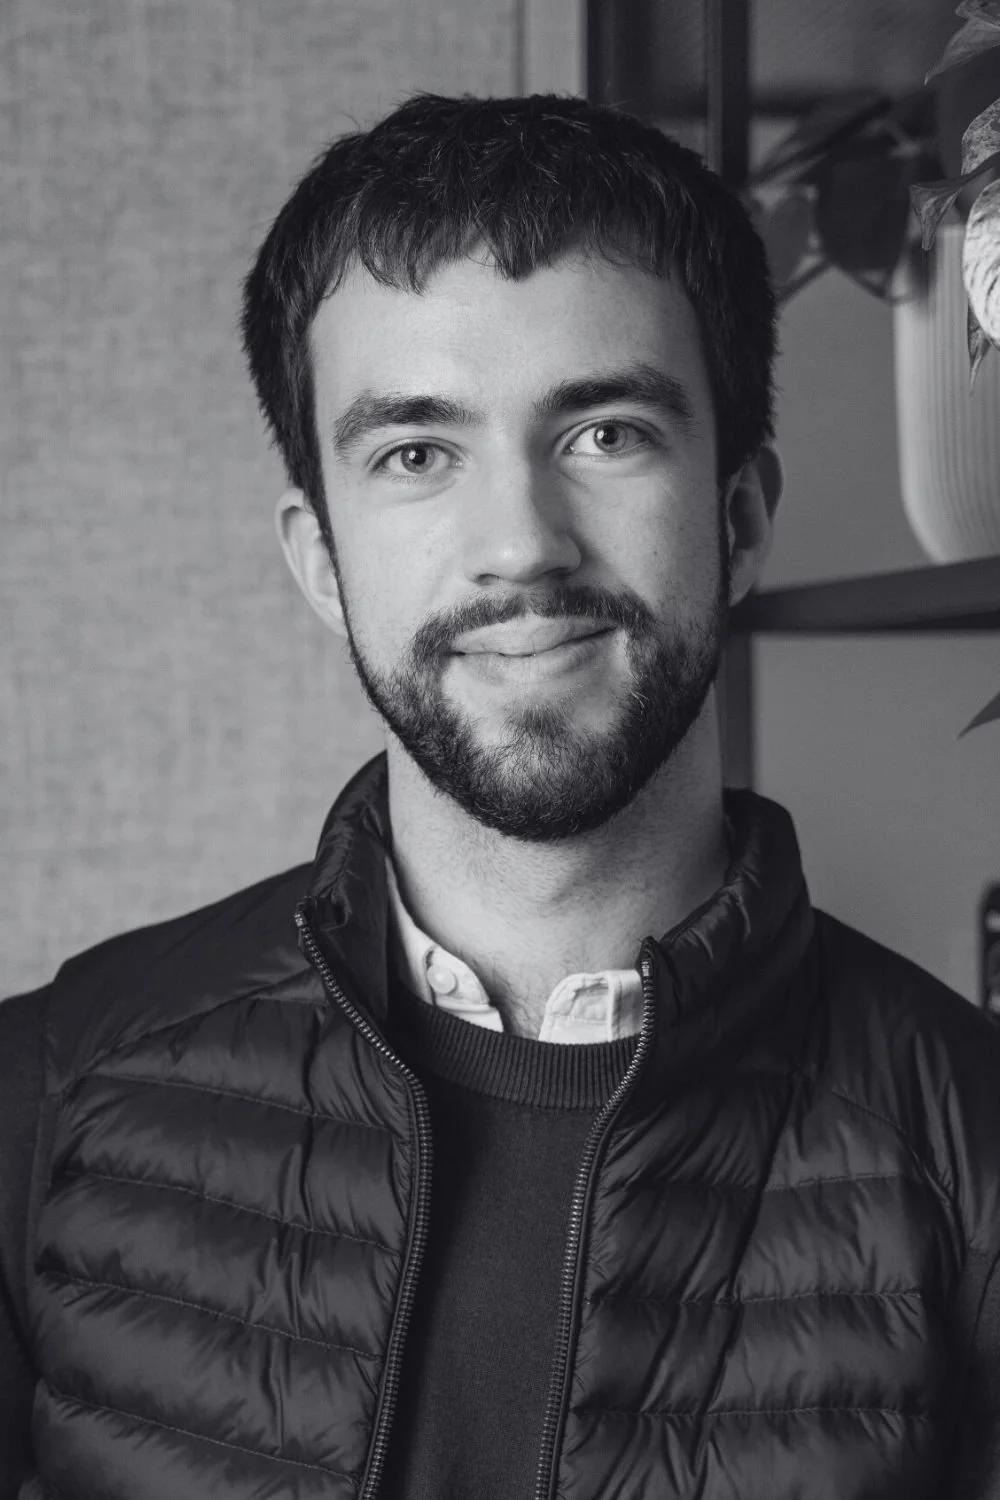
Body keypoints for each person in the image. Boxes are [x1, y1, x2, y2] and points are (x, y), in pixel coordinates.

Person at [1, 91, 999, 1500]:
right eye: (417, 453)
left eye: (603, 434)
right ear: (322, 561)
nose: (519, 545)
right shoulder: (41, 1098)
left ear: (743, 518)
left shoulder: (974, 1151)